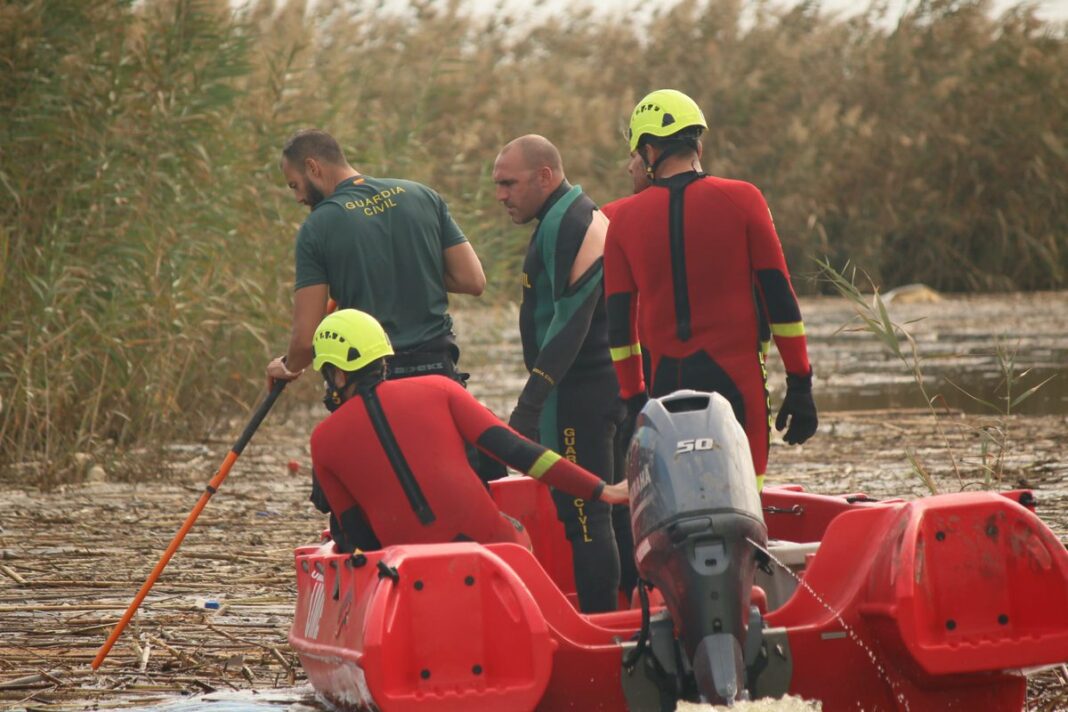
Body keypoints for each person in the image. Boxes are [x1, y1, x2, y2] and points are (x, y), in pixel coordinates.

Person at [604, 89, 818, 491]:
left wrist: (634, 400)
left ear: (648, 152)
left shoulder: (622, 219)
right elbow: (780, 302)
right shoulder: (743, 199)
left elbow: (620, 331)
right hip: (735, 382)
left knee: (679, 499)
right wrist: (800, 383)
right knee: (744, 498)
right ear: (697, 144)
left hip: (664, 387)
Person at [308, 309, 629, 553]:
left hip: (409, 576)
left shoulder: (322, 441)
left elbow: (355, 540)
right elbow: (519, 451)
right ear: (383, 359)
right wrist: (602, 490)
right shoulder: (440, 389)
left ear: (336, 374)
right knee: (511, 527)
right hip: (495, 552)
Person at [492, 134, 632, 613]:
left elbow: (570, 324)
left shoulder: (570, 223)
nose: (501, 196)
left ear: (545, 176)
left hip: (576, 395)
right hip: (606, 388)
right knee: (615, 515)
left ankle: (602, 629)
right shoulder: (574, 214)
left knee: (587, 518)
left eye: (509, 183)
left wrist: (530, 405)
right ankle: (633, 620)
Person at [265, 129, 486, 387]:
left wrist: (288, 366)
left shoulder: (317, 227)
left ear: (313, 167)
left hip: (373, 378)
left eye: (295, 185)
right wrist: (406, 266)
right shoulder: (421, 194)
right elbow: (472, 280)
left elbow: (305, 342)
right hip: (439, 370)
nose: (298, 198)